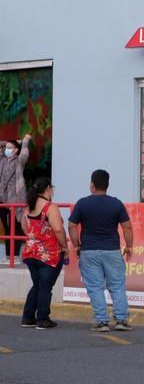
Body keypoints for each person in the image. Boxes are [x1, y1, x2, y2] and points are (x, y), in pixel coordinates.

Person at [68, 170, 134, 332]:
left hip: (89, 250)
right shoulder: (116, 204)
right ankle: (121, 320)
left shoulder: (82, 203)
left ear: (92, 185)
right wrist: (129, 245)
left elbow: (71, 225)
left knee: (95, 287)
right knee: (117, 286)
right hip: (112, 250)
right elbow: (127, 227)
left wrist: (77, 245)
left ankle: (101, 321)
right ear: (107, 185)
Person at [20, 177, 69, 329]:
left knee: (38, 285)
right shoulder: (50, 207)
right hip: (49, 254)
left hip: (30, 252)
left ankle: (28, 318)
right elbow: (59, 229)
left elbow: (24, 226)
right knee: (45, 286)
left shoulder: (29, 208)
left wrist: (35, 238)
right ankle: (42, 319)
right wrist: (65, 247)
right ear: (48, 188)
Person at [0, 134, 31, 260]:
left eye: (10, 148)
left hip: (15, 199)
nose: (6, 150)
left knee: (15, 227)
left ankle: (15, 256)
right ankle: (8, 256)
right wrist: (9, 142)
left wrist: (24, 142)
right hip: (2, 200)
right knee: (7, 228)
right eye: (5, 148)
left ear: (16, 150)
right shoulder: (2, 160)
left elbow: (24, 154)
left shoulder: (19, 161)